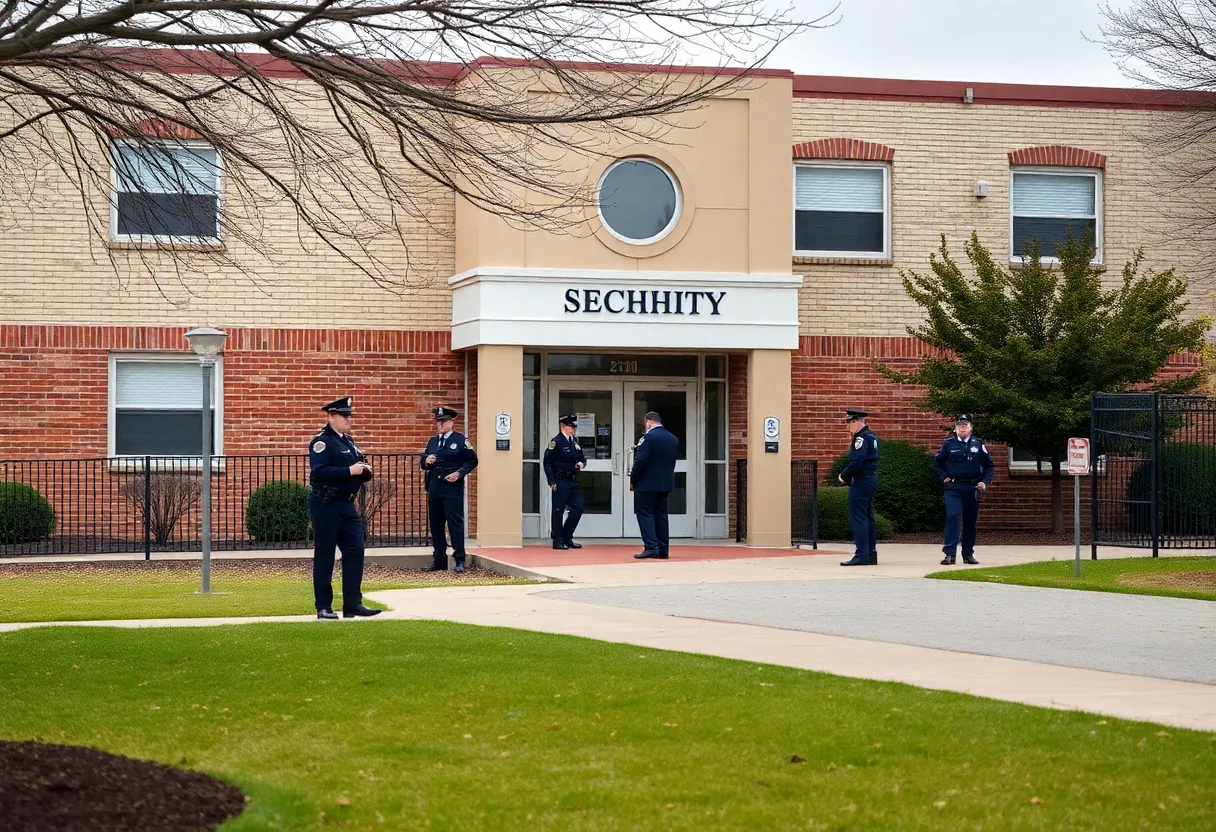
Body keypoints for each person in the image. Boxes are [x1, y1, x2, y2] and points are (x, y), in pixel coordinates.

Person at [308, 396, 381, 619]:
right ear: (331, 416)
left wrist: (364, 471)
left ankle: (353, 603)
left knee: (355, 550)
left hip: (348, 504)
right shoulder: (322, 442)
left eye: (350, 415)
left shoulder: (347, 441)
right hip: (326, 503)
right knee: (326, 555)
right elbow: (318, 472)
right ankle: (323, 607)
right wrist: (350, 471)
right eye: (345, 415)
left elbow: (357, 464)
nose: (349, 419)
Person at [420, 406, 478, 572]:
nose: (440, 425)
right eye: (438, 421)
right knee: (436, 525)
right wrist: (426, 461)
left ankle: (459, 559)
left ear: (451, 422)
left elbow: (472, 461)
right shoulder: (432, 441)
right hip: (435, 487)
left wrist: (459, 473)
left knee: (455, 524)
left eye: (443, 421)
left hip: (452, 488)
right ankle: (439, 560)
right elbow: (423, 462)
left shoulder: (460, 440)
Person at [933, 413, 995, 565]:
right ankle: (949, 554)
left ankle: (968, 554)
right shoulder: (948, 444)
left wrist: (984, 482)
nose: (962, 427)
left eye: (965, 425)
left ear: (971, 428)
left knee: (970, 522)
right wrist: (944, 477)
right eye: (960, 425)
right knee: (952, 516)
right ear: (955, 428)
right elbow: (937, 463)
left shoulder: (978, 444)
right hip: (953, 487)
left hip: (972, 487)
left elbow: (989, 465)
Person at [631, 410, 679, 560]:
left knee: (645, 514)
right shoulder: (673, 439)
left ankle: (651, 547)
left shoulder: (648, 438)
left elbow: (641, 461)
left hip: (646, 484)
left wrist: (633, 480)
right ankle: (663, 548)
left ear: (649, 422)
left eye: (646, 423)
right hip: (665, 484)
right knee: (661, 516)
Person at [837, 408, 880, 567]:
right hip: (870, 479)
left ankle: (861, 554)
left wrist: (844, 475)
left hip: (861, 480)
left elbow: (857, 461)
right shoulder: (872, 436)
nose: (849, 427)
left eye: (850, 423)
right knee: (867, 516)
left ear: (856, 421)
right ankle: (870, 553)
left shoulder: (861, 438)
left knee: (859, 517)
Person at [544, 414, 586, 550]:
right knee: (558, 510)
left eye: (574, 426)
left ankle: (567, 536)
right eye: (570, 426)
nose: (573, 429)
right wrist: (551, 481)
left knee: (578, 507)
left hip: (572, 481)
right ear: (563, 427)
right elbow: (547, 463)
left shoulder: (574, 442)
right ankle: (558, 540)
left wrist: (582, 464)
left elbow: (582, 458)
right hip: (560, 480)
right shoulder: (556, 442)